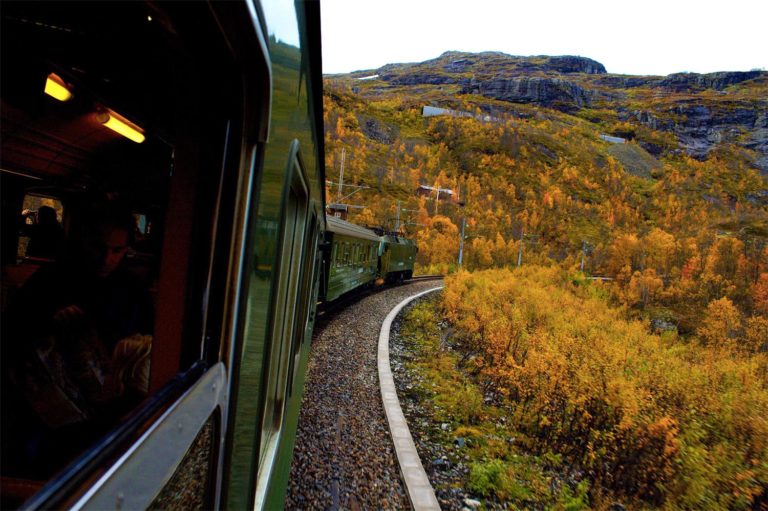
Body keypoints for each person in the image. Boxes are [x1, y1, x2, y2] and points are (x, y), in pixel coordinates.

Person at [1, 200, 154, 478]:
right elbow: (13, 334)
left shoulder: (132, 292)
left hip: (112, 414)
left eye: (116, 250)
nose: (106, 259)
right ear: (82, 241)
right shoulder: (49, 281)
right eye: (98, 247)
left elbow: (147, 349)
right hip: (47, 418)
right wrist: (49, 325)